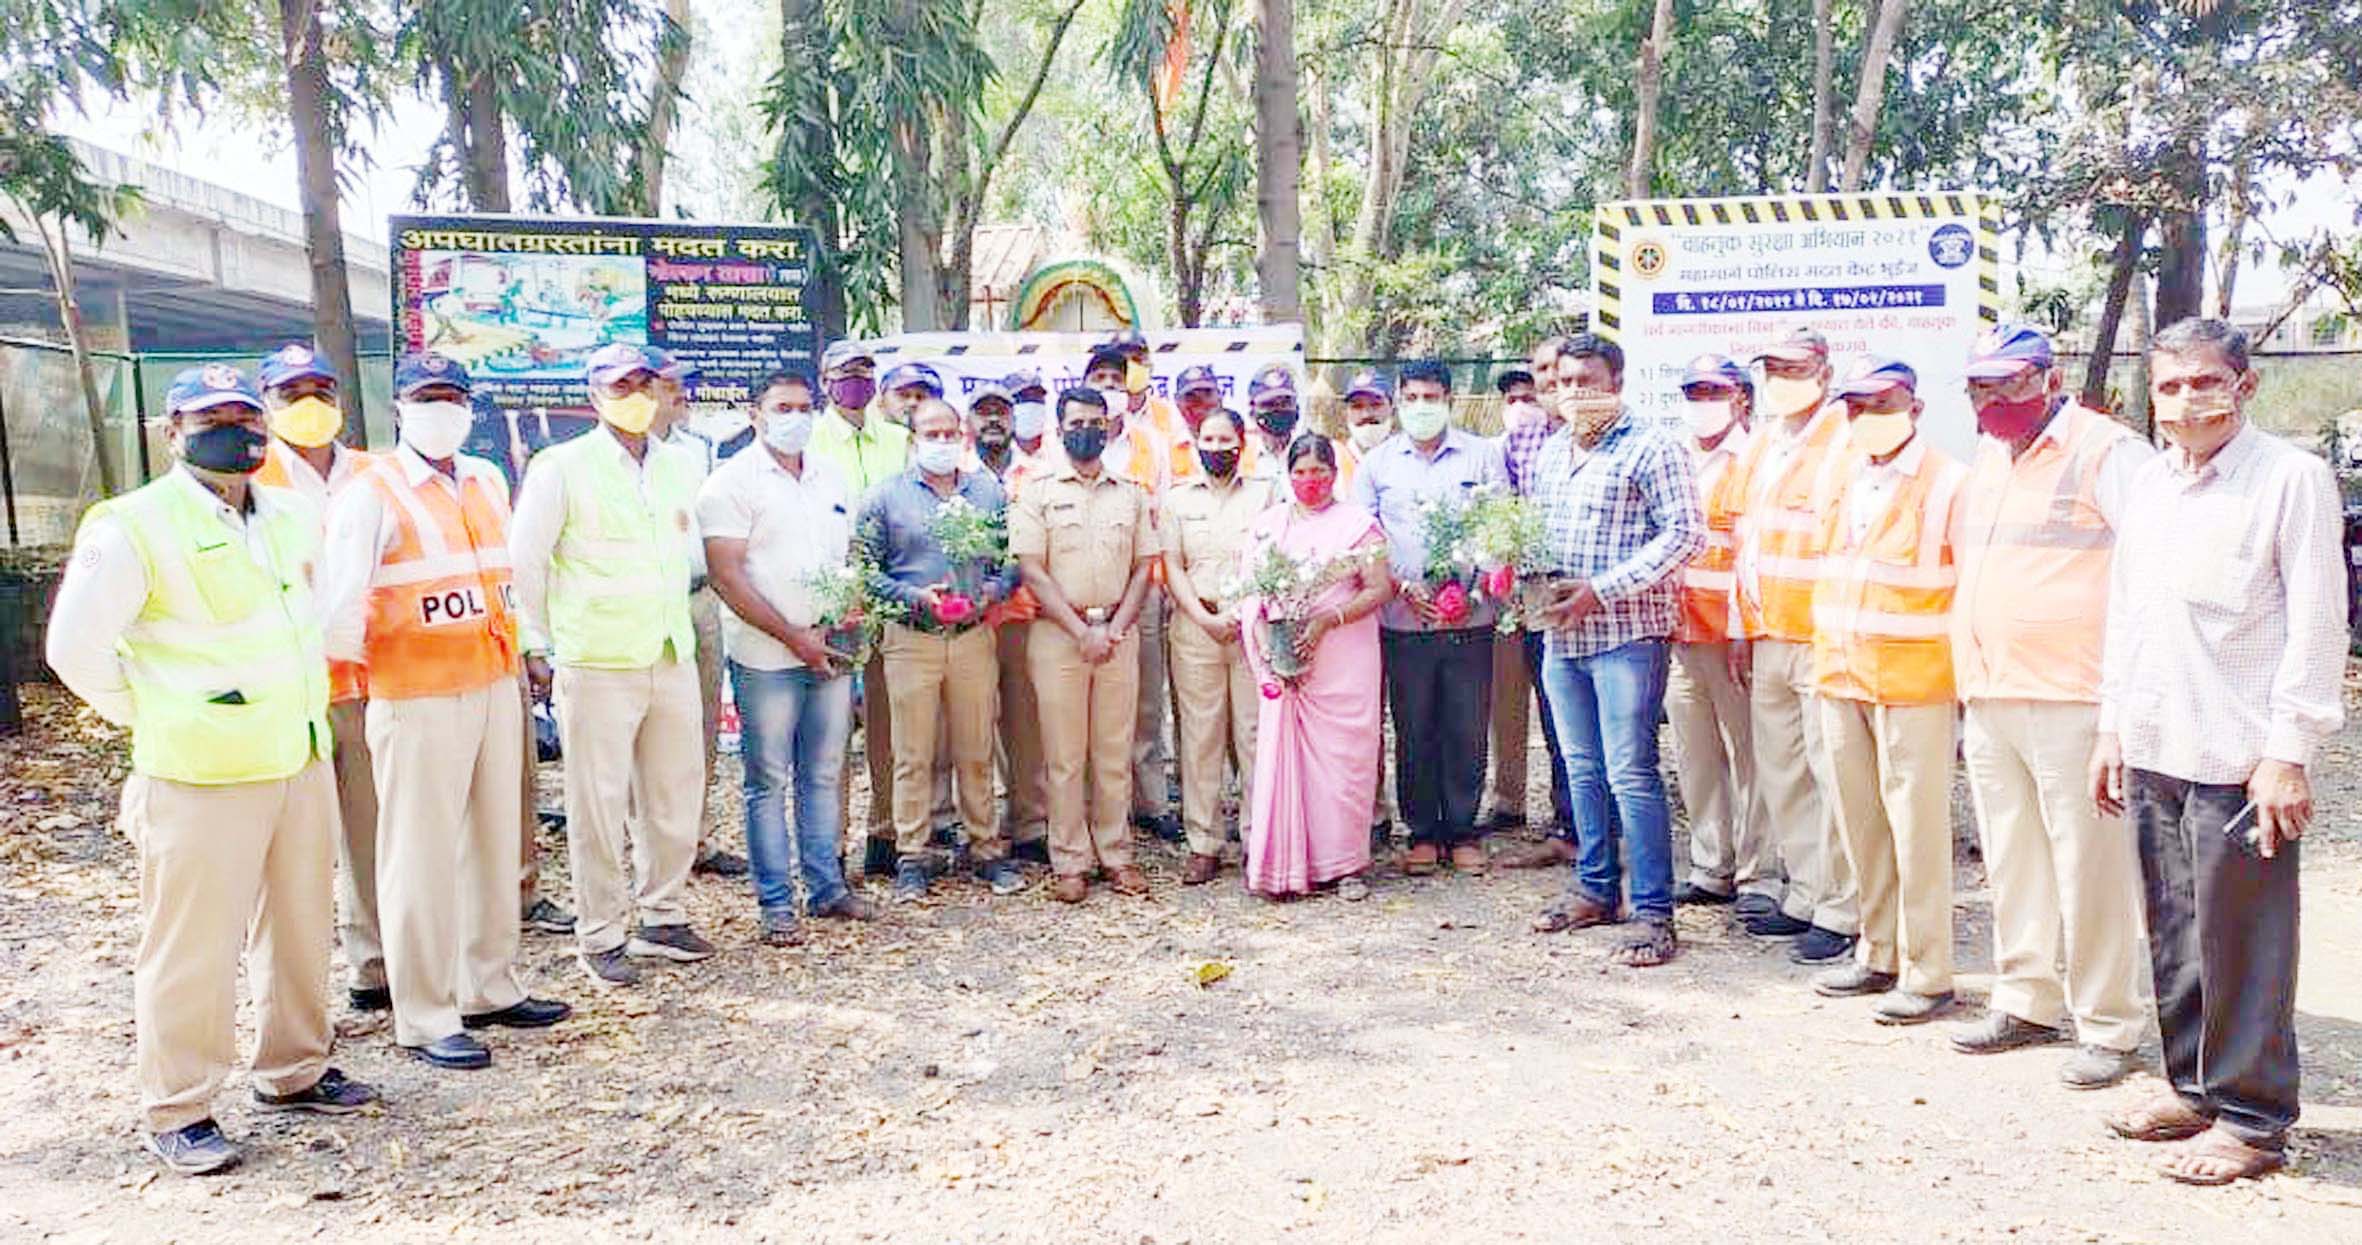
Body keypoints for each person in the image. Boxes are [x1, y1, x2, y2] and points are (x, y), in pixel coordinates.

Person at [47, 364, 379, 1174]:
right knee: (193, 943)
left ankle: (293, 1066)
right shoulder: (131, 525)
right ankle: (180, 1103)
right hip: (198, 773)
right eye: (213, 416)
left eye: (244, 413)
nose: (237, 428)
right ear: (173, 432)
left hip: (295, 754)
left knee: (300, 925)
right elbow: (74, 651)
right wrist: (162, 714)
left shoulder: (292, 514)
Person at [2093, 317, 2345, 1185]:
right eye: (2171, 386)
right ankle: (2192, 1085)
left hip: (2241, 756)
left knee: (2246, 939)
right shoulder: (2153, 484)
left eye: (2207, 381)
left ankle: (2252, 1118)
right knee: (2176, 929)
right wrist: (2112, 726)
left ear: (2245, 384)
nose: (2189, 399)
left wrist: (2289, 750)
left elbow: (2316, 625)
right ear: (2152, 396)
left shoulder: (2291, 479)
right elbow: (2129, 616)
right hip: (2161, 740)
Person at [319, 353, 570, 1069]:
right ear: (400, 406)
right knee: (419, 852)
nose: (442, 407)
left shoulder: (486, 478)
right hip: (414, 692)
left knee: (494, 840)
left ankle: (488, 983)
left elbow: (504, 582)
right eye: (428, 396)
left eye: (453, 396)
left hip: (492, 679)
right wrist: (369, 676)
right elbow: (340, 606)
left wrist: (527, 653)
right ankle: (426, 1012)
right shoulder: (372, 491)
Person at [1948, 324, 2152, 1089]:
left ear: (2049, 375)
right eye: (1980, 386)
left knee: (2089, 865)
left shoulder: (2107, 451)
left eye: (2009, 382)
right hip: (1993, 689)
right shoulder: (1988, 459)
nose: (1994, 399)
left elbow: (2151, 570)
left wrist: (2123, 706)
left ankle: (2107, 1021)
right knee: (2011, 858)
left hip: (2075, 694)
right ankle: (2024, 998)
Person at [512, 342, 717, 986]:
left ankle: (663, 912)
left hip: (667, 647)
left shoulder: (679, 465)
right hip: (596, 656)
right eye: (619, 384)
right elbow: (526, 562)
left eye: (643, 383)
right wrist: (535, 643)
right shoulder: (561, 466)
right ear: (593, 394)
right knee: (597, 802)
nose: (633, 395)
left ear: (660, 391)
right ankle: (600, 930)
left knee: (674, 790)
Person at [1525, 337, 1704, 968]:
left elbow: (1686, 535)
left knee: (1631, 772)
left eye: (1589, 381)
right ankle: (1595, 888)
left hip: (1625, 638)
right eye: (1566, 381)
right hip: (1561, 639)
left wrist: (1601, 591)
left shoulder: (1653, 447)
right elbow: (1536, 535)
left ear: (1618, 380)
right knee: (1581, 769)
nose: (1576, 393)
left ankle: (1653, 911)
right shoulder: (1550, 452)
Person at [1805, 358, 1968, 1024]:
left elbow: (1969, 588)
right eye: (1857, 407)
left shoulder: (1951, 483)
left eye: (1883, 404)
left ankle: (1929, 972)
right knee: (1860, 823)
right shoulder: (1841, 477)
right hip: (1841, 674)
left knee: (1917, 830)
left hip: (1916, 683)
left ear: (1915, 407)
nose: (1868, 418)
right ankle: (1879, 952)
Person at [698, 371, 879, 946]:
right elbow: (727, 576)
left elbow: (847, 554)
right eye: (782, 407)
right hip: (764, 656)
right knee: (768, 779)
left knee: (825, 772)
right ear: (756, 414)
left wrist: (838, 617)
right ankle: (776, 902)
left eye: (804, 406)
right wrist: (792, 635)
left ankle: (827, 887)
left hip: (828, 649)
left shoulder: (831, 474)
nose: (795, 416)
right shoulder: (729, 484)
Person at [253, 343, 392, 1008]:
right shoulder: (248, 479)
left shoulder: (375, 473)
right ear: (267, 405)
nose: (308, 406)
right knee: (293, 852)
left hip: (367, 682)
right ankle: (292, 999)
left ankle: (374, 963)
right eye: (291, 394)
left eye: (320, 391)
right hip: (285, 689)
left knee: (371, 827)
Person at [859, 398, 1027, 902]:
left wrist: (993, 592)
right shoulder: (884, 498)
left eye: (950, 433)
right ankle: (913, 853)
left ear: (964, 437)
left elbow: (1009, 558)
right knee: (912, 753)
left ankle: (985, 849)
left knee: (975, 749)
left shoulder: (987, 493)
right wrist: (914, 598)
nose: (942, 441)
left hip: (972, 636)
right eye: (931, 434)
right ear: (913, 439)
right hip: (912, 640)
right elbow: (866, 572)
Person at [1349, 359, 1508, 875]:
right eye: (1413, 396)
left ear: (1450, 399)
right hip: (1402, 619)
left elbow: (1498, 528)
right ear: (1398, 399)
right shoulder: (1377, 465)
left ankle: (1462, 830)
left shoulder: (1482, 457)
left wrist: (1471, 588)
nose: (1422, 406)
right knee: (1414, 726)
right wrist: (1398, 584)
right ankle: (1421, 832)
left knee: (1465, 725)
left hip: (1470, 619)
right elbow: (1363, 539)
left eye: (1432, 397)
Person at [1732, 327, 1859, 964]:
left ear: (1824, 371)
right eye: (1772, 369)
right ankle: (1805, 892)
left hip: (1822, 633)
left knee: (1832, 773)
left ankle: (1843, 905)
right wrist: (1739, 624)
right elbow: (1744, 538)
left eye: (1795, 368)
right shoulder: (1763, 442)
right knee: (1782, 773)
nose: (1782, 379)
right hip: (1767, 631)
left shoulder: (1848, 439)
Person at [1010, 387, 1161, 902]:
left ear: (1110, 427)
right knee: (1065, 754)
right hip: (1060, 637)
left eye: (1098, 422)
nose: (1089, 430)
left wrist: (1114, 628)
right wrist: (1082, 632)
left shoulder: (1131, 492)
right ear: (1059, 427)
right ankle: (1070, 860)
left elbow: (1145, 567)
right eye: (1078, 421)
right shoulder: (1037, 490)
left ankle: (1116, 854)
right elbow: (1031, 569)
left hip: (1118, 635)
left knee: (1114, 751)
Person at [1239, 434, 1391, 899]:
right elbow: (1252, 593)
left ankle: (1346, 864)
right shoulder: (1268, 525)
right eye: (1301, 472)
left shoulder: (1359, 526)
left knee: (1346, 760)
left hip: (1345, 655)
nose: (1311, 481)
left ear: (1334, 473)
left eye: (1320, 472)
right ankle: (1290, 862)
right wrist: (1269, 647)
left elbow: (1380, 588)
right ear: (1289, 475)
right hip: (1290, 658)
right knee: (1291, 758)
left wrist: (1329, 619)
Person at [1666, 354, 1776, 911]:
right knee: (1696, 753)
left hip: (1733, 636)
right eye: (1694, 390)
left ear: (1741, 399)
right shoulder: (1677, 457)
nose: (1702, 401)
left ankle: (1758, 875)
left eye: (1714, 390)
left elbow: (1752, 551)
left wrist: (1740, 629)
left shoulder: (1758, 459)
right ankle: (1712, 865)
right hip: (1682, 633)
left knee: (1749, 755)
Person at [643, 346, 749, 881]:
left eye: (682, 383)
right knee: (646, 730)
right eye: (668, 385)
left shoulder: (695, 452)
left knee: (700, 723)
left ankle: (696, 838)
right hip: (642, 607)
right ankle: (647, 847)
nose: (680, 393)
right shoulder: (600, 458)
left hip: (700, 598)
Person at [813, 350, 919, 876]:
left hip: (890, 597)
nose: (854, 384)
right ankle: (829, 847)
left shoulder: (899, 440)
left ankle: (886, 835)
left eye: (863, 375)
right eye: (844, 376)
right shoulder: (809, 441)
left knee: (889, 727)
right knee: (832, 731)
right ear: (824, 381)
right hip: (833, 604)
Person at [1161, 410, 1277, 884]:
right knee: (1200, 738)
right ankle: (1204, 843)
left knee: (1253, 736)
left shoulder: (1265, 493)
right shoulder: (1176, 499)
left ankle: (1257, 840)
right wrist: (1205, 617)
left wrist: (1242, 611)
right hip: (1195, 627)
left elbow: (1275, 559)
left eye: (1225, 438)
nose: (1216, 446)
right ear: (1196, 442)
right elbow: (1171, 565)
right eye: (1207, 438)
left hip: (1251, 624)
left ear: (1241, 442)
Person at [1085, 340, 1191, 845]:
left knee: (1146, 696)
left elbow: (1170, 512)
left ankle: (1150, 800)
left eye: (1116, 381)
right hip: (1083, 588)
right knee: (1088, 699)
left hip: (1143, 584)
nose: (1108, 390)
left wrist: (1168, 582)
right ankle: (1100, 804)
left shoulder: (1152, 440)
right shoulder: (1064, 441)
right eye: (1099, 381)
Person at [1491, 337, 1578, 869]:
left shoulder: (1616, 435)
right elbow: (1511, 511)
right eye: (1541, 369)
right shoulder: (1524, 438)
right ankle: (1569, 825)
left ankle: (1602, 830)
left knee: (1602, 724)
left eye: (1559, 368)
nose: (1549, 379)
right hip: (1540, 596)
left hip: (1599, 597)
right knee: (1556, 711)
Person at [976, 382, 1051, 863]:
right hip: (968, 620)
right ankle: (976, 827)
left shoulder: (1038, 475)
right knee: (970, 728)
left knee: (1026, 726)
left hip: (1023, 613)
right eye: (983, 412)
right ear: (970, 422)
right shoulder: (955, 475)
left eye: (1001, 412)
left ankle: (1029, 824)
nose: (993, 420)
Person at [1245, 362, 1305, 478]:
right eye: (1269, 404)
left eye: (1285, 403)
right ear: (1252, 412)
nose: (1278, 410)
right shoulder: (1240, 456)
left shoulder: (1315, 451)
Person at [1175, 365, 1225, 432]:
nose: (1201, 401)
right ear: (1177, 401)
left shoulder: (1237, 436)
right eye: (1190, 396)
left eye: (1207, 393)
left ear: (1220, 396)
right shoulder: (1164, 439)